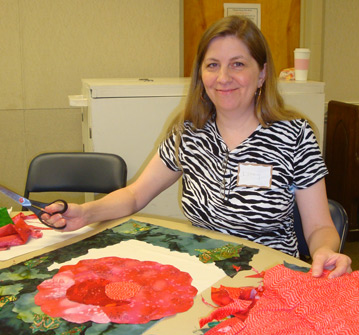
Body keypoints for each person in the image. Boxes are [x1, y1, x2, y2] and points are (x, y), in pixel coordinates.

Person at [44, 15, 351, 278]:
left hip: (270, 281)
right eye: (212, 65)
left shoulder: (294, 135)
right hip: (204, 276)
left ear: (262, 74)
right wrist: (85, 213)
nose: (223, 78)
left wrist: (325, 251)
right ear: (201, 74)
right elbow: (136, 195)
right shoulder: (188, 133)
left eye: (238, 64)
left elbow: (319, 226)